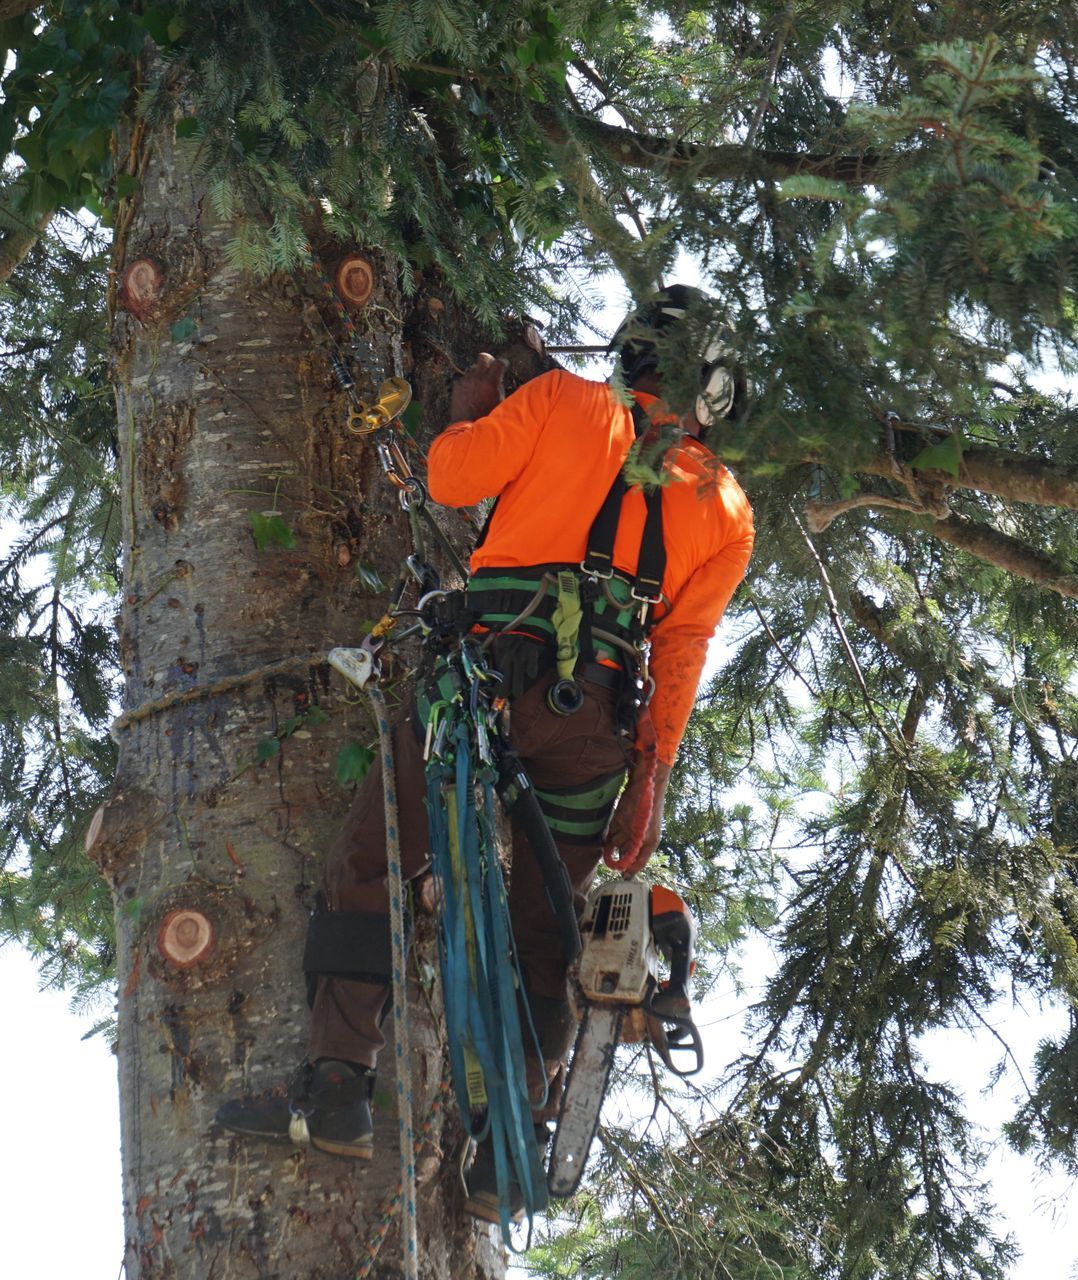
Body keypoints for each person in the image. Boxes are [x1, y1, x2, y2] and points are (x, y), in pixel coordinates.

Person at [215, 285, 755, 1223]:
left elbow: (453, 480)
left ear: (636, 354)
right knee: (548, 930)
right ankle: (511, 1153)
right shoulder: (728, 510)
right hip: (600, 732)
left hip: (485, 691)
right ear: (714, 390)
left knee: (372, 865)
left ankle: (339, 1087)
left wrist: (465, 418)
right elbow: (681, 650)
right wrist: (652, 780)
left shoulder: (561, 402)